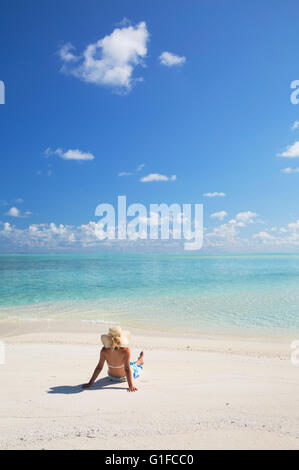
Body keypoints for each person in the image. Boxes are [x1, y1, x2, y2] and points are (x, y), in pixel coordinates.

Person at [82, 326, 144, 392]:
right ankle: (140, 360)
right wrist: (130, 385)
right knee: (133, 366)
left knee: (130, 364)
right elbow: (127, 369)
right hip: (124, 378)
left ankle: (140, 360)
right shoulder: (126, 350)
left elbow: (99, 368)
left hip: (111, 377)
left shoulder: (104, 350)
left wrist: (90, 383)